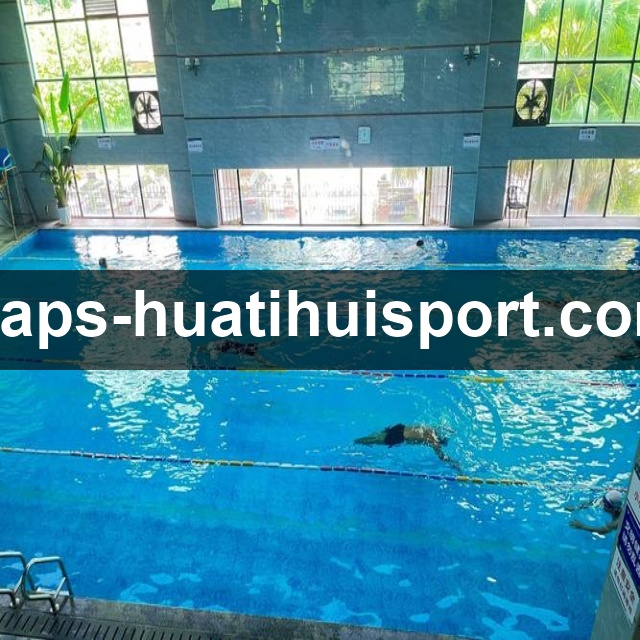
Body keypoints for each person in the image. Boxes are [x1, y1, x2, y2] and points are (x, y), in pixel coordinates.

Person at [354, 423, 460, 470]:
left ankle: (361, 440)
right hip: (398, 437)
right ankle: (356, 442)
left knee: (376, 437)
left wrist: (452, 431)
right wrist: (454, 464)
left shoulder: (432, 428)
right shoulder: (434, 441)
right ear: (440, 440)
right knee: (374, 441)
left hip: (400, 427)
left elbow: (444, 427)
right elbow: (442, 457)